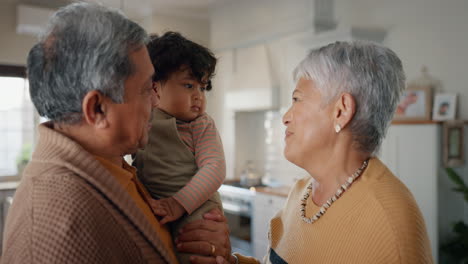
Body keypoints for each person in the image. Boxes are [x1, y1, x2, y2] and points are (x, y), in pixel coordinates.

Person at [1, 3, 230, 263]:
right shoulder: (55, 230)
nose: (156, 103)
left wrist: (219, 255)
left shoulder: (115, 166)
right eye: (146, 89)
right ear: (97, 109)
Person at [217, 41, 434, 264]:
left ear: (341, 111)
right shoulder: (301, 192)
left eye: (297, 99)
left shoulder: (390, 223)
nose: (285, 117)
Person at [133, 32, 225, 264]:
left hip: (196, 209)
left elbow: (214, 168)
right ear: (154, 87)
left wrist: (178, 203)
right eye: (188, 85)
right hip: (159, 206)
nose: (198, 97)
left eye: (202, 88)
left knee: (193, 255)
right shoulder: (142, 120)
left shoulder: (200, 124)